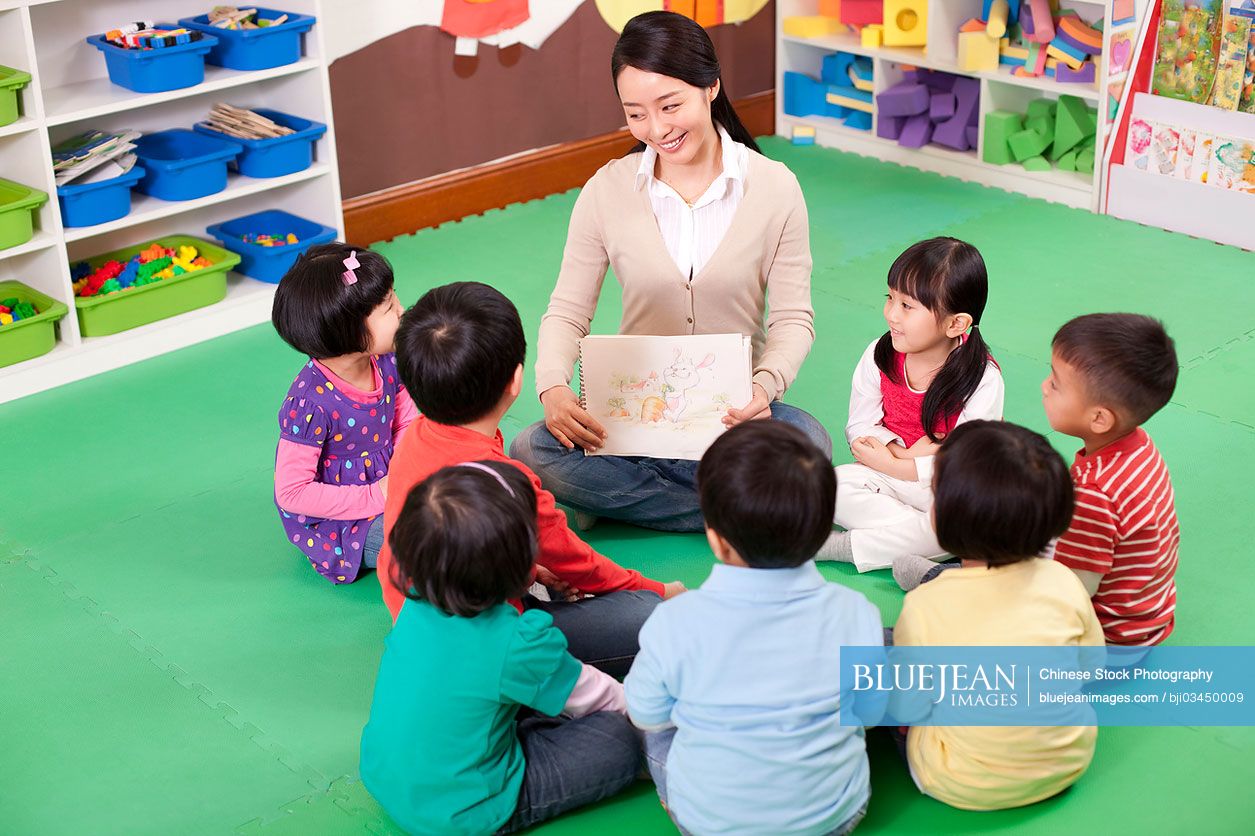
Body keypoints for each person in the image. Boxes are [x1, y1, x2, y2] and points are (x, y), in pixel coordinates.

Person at [511, 10, 831, 534]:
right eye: (635, 113)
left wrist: (765, 387)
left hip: (734, 414)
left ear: (711, 88)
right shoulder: (606, 190)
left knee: (811, 444)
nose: (655, 130)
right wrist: (553, 388)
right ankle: (735, 510)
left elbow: (794, 318)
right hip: (634, 411)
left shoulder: (775, 188)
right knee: (532, 447)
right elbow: (568, 310)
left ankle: (621, 499)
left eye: (670, 106)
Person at [270, 243, 415, 583]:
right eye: (390, 307)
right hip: (343, 524)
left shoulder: (388, 360)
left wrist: (407, 469)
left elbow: (407, 421)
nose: (402, 309)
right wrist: (377, 495)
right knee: (420, 547)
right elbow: (291, 492)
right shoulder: (310, 403)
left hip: (394, 481)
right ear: (348, 332)